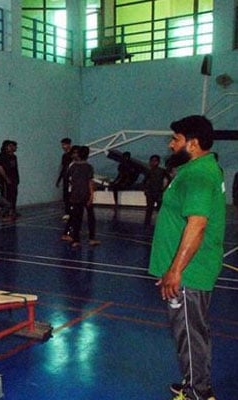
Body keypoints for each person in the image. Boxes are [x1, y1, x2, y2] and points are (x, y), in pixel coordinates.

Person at [148, 115, 224, 400]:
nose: (170, 145)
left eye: (175, 140)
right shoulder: (198, 169)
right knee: (192, 332)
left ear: (192, 144)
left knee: (190, 334)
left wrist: (176, 270)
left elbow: (197, 224)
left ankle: (198, 393)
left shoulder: (199, 174)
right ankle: (194, 381)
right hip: (189, 270)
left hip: (188, 273)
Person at [62, 146, 100, 248]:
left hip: (80, 195)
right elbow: (88, 182)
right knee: (83, 218)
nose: (74, 155)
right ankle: (84, 239)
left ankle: (83, 239)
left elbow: (88, 182)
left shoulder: (80, 167)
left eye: (76, 153)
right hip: (81, 195)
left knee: (83, 218)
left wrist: (90, 195)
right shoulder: (80, 167)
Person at [142, 154, 168, 226]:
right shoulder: (148, 171)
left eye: (155, 161)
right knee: (149, 209)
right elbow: (144, 181)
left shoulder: (162, 171)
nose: (153, 163)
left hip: (159, 192)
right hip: (150, 193)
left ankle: (161, 223)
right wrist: (146, 190)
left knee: (160, 209)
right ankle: (147, 224)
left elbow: (169, 179)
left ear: (158, 162)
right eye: (152, 161)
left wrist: (165, 188)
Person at [0, 140, 19, 218]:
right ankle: (4, 212)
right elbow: (0, 168)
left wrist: (16, 179)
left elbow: (15, 169)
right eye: (10, 146)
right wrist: (6, 179)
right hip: (4, 181)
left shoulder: (14, 157)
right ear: (6, 147)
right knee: (5, 196)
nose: (12, 147)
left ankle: (12, 210)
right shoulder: (2, 156)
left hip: (13, 180)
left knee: (13, 195)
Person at [56, 138, 73, 220]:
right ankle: (67, 212)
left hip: (72, 179)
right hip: (65, 178)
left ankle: (73, 212)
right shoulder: (64, 156)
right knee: (65, 196)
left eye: (64, 145)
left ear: (69, 144)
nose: (63, 146)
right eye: (62, 145)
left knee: (72, 196)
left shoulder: (73, 155)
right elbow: (63, 168)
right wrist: (59, 179)